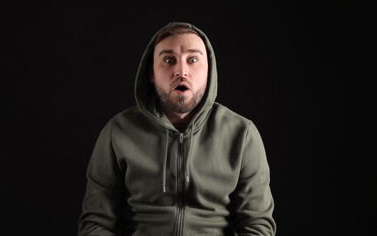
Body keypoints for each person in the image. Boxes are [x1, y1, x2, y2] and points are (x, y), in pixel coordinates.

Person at [78, 22, 276, 235]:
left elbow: (257, 226)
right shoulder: (118, 132)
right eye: (169, 60)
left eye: (193, 60)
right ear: (151, 73)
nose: (181, 71)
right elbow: (96, 223)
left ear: (209, 71)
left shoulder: (242, 135)